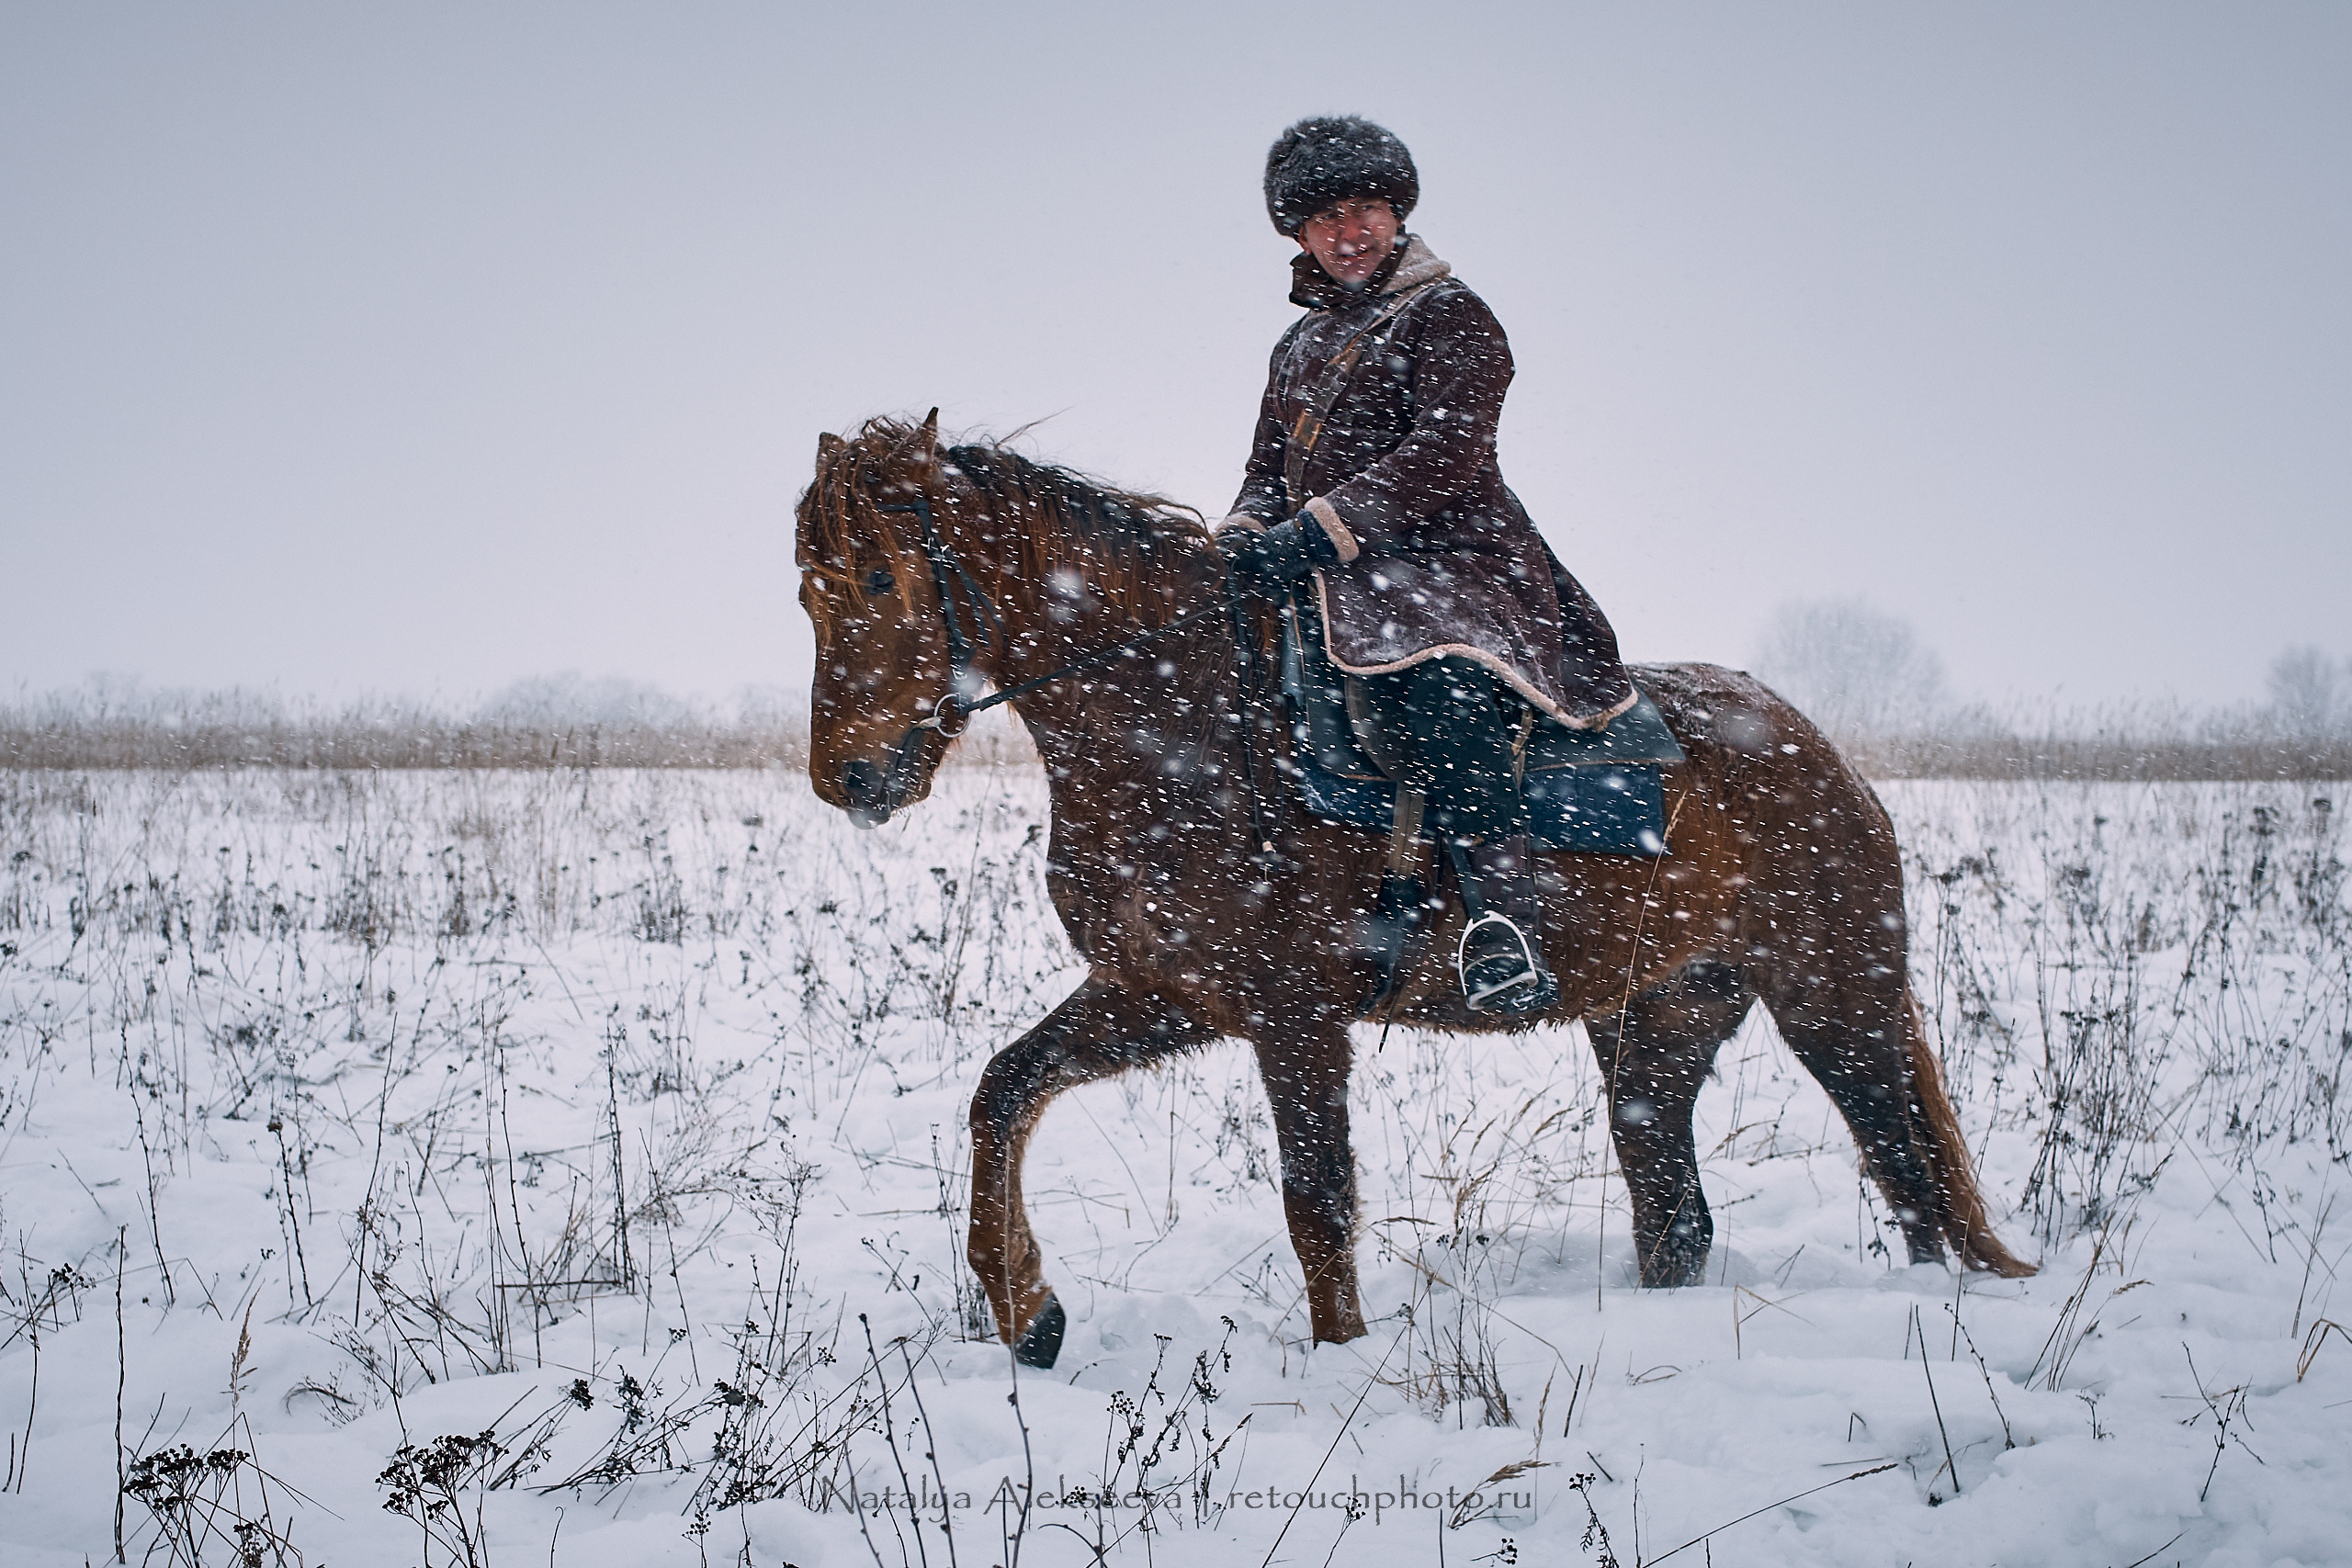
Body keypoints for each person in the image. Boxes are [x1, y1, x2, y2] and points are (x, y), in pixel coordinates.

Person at [1216, 115, 1635, 1015]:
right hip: (1330, 575)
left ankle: (1503, 925)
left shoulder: (1453, 316)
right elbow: (1264, 471)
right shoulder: (1295, 349)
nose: (1348, 231)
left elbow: (1439, 460)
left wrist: (1317, 530)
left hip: (1459, 568)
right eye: (1325, 218)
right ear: (1298, 236)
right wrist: (1240, 538)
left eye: (1364, 207)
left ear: (1397, 213)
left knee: (1439, 682)